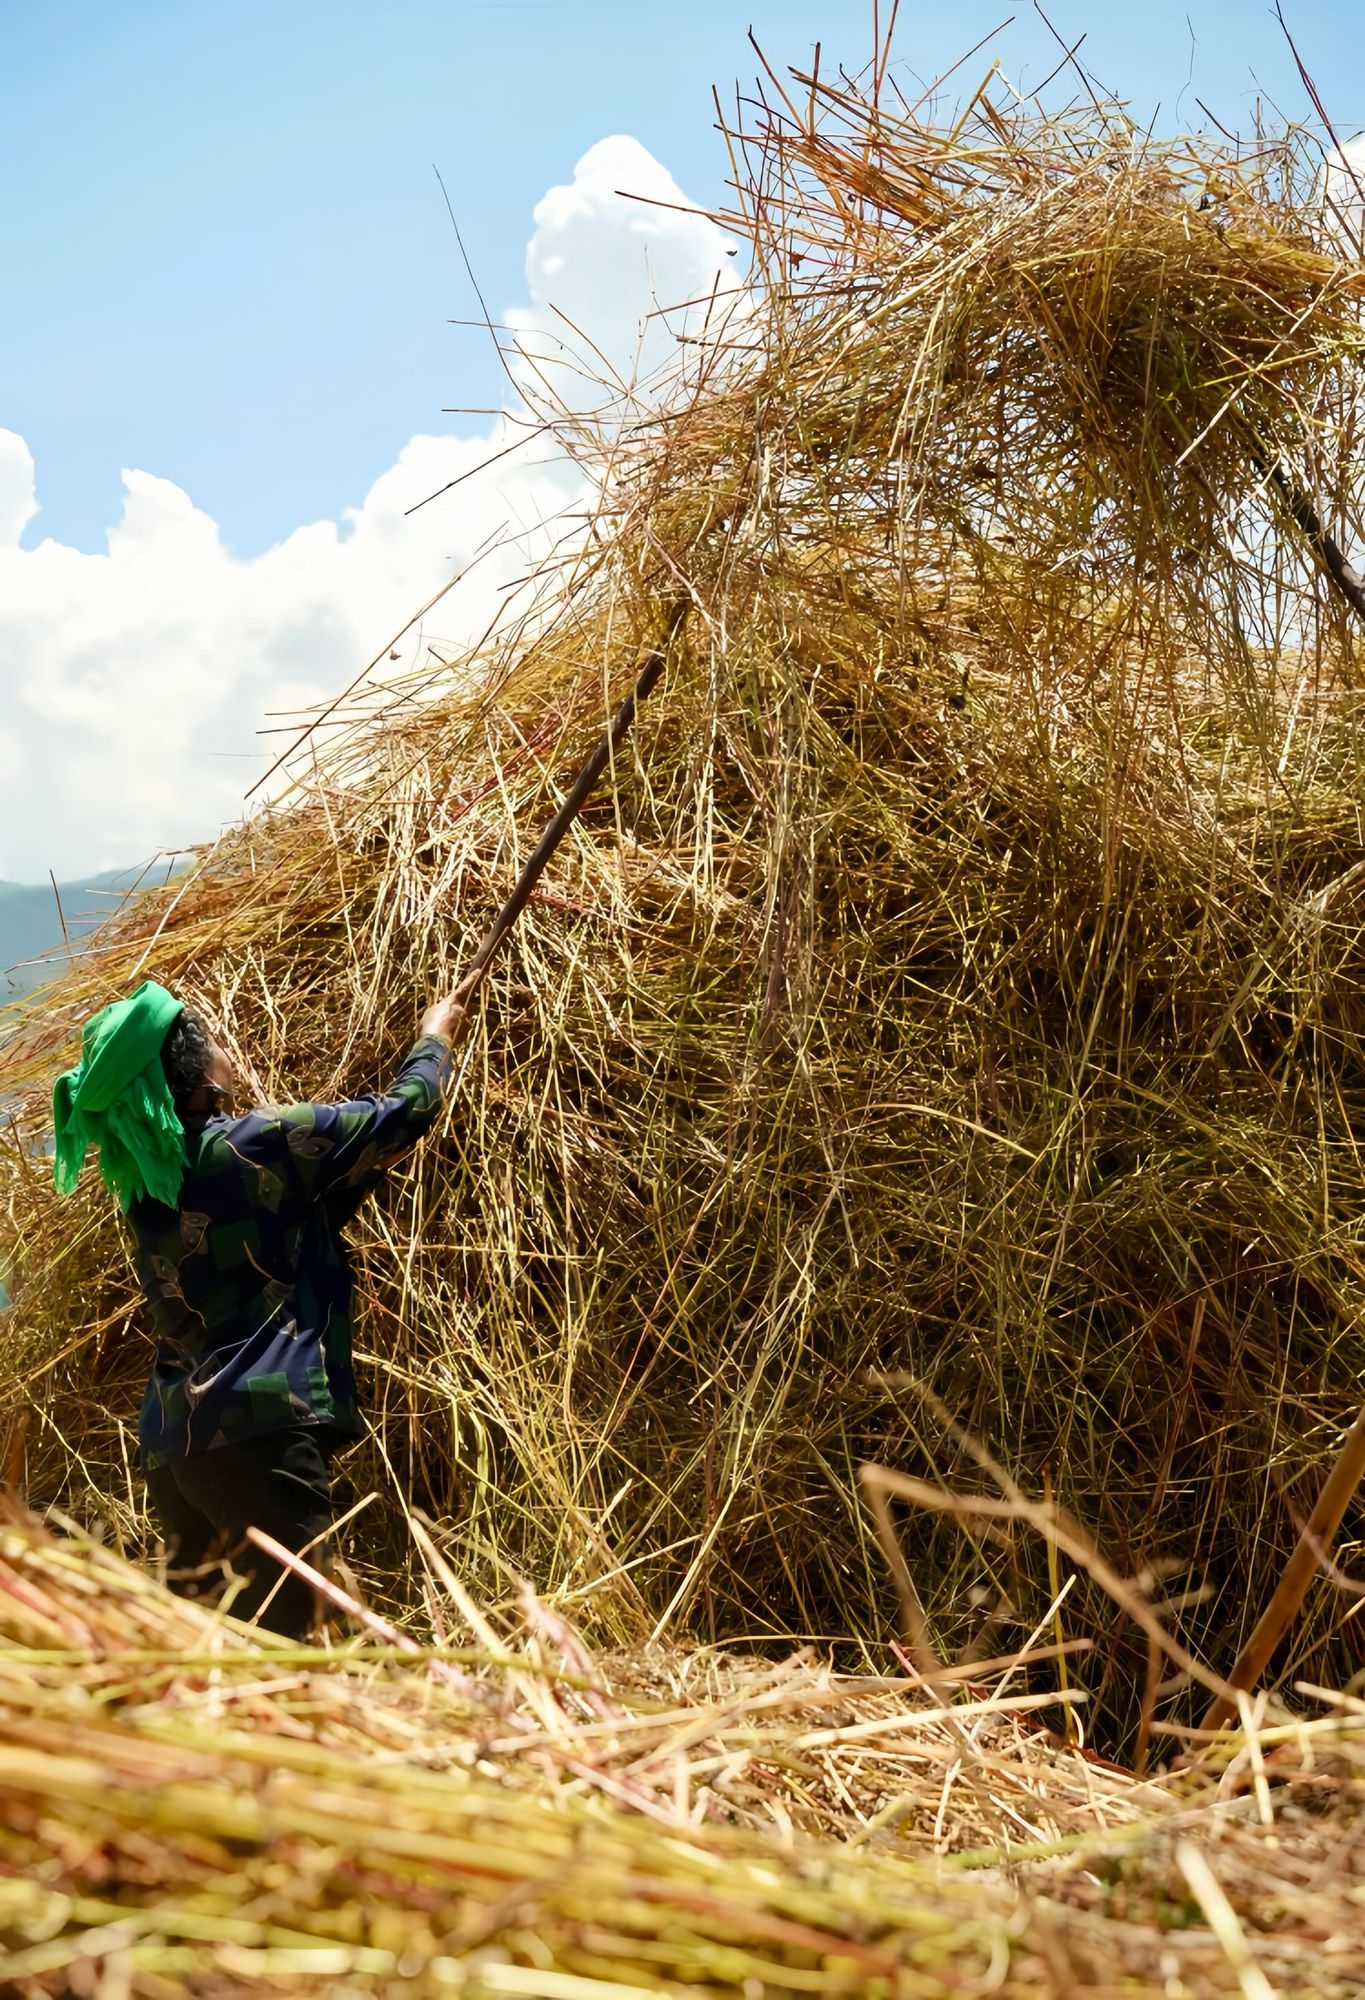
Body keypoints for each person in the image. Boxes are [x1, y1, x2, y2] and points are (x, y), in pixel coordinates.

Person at [52, 974, 475, 1636]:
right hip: (258, 1438)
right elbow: (405, 1111)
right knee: (288, 1647)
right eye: (212, 1043)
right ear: (195, 1071)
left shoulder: (145, 1186)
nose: (224, 1051)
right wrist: (435, 1037)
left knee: (208, 1653)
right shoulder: (258, 1143)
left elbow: (293, 1218)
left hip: (177, 1449)